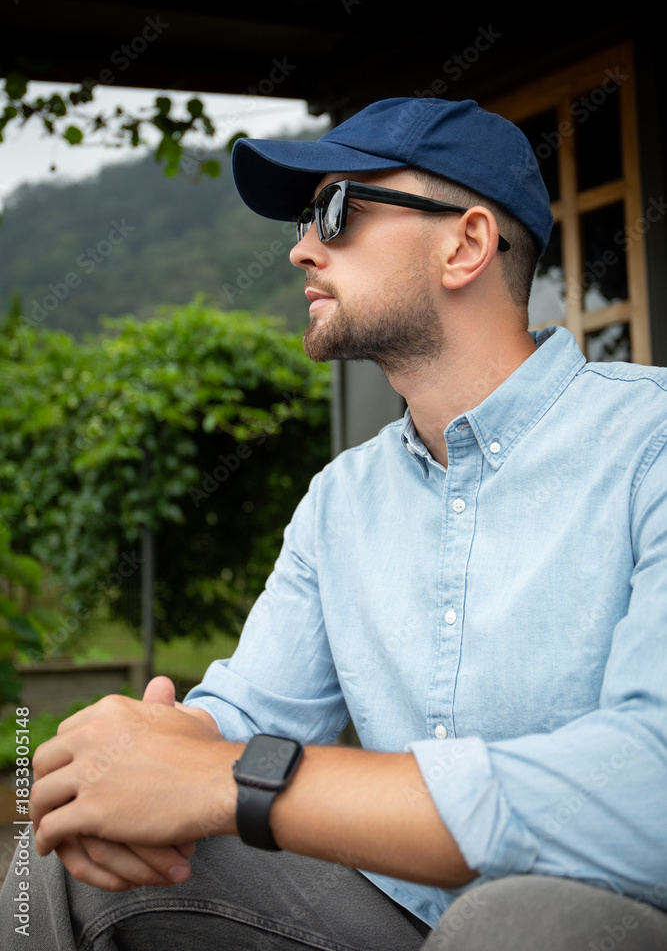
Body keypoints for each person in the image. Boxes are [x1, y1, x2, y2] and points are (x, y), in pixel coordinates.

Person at [2, 96, 667, 951]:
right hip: (390, 915)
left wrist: (235, 778)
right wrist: (141, 751)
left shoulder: (650, 443)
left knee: (517, 921)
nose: (300, 245)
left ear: (464, 244)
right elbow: (250, 707)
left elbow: (648, 786)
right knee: (65, 855)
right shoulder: (339, 499)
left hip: (612, 914)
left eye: (336, 210)